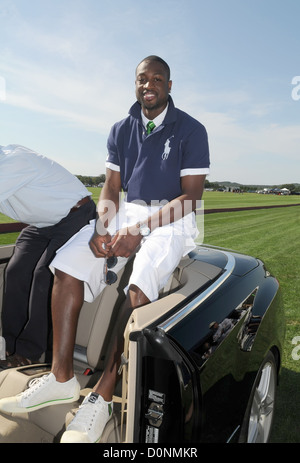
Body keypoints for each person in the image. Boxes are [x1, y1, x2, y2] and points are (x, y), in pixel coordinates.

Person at [0, 56, 210, 443]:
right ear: (135, 84)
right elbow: (112, 186)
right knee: (66, 264)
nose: (149, 85)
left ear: (169, 85)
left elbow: (191, 197)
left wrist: (141, 229)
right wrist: (101, 226)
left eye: (157, 79)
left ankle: (102, 395)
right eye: (142, 79)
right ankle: (62, 378)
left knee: (138, 286)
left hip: (173, 220)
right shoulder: (121, 128)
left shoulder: (191, 129)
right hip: (127, 210)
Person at [0, 145, 96, 367]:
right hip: (42, 223)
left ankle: (28, 353)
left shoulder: (14, 161)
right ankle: (9, 348)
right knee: (15, 271)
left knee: (45, 275)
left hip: (74, 214)